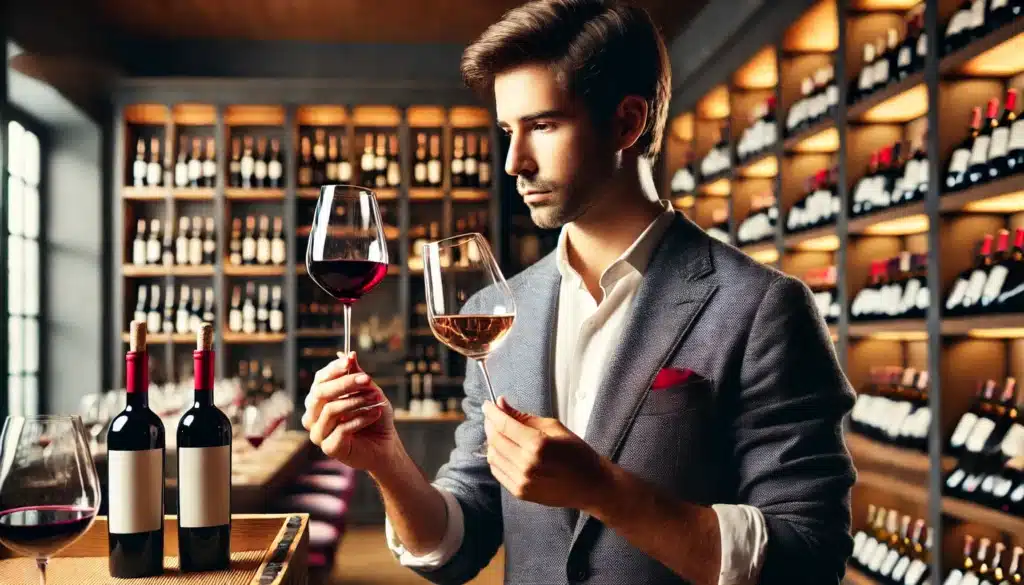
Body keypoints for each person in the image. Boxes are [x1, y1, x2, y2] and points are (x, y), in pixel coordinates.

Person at [301, 0, 857, 583]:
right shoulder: (495, 314)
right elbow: (458, 545)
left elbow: (808, 555)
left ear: (626, 123)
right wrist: (387, 462)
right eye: (508, 131)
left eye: (543, 125)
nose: (514, 162)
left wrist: (604, 491)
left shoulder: (764, 308)